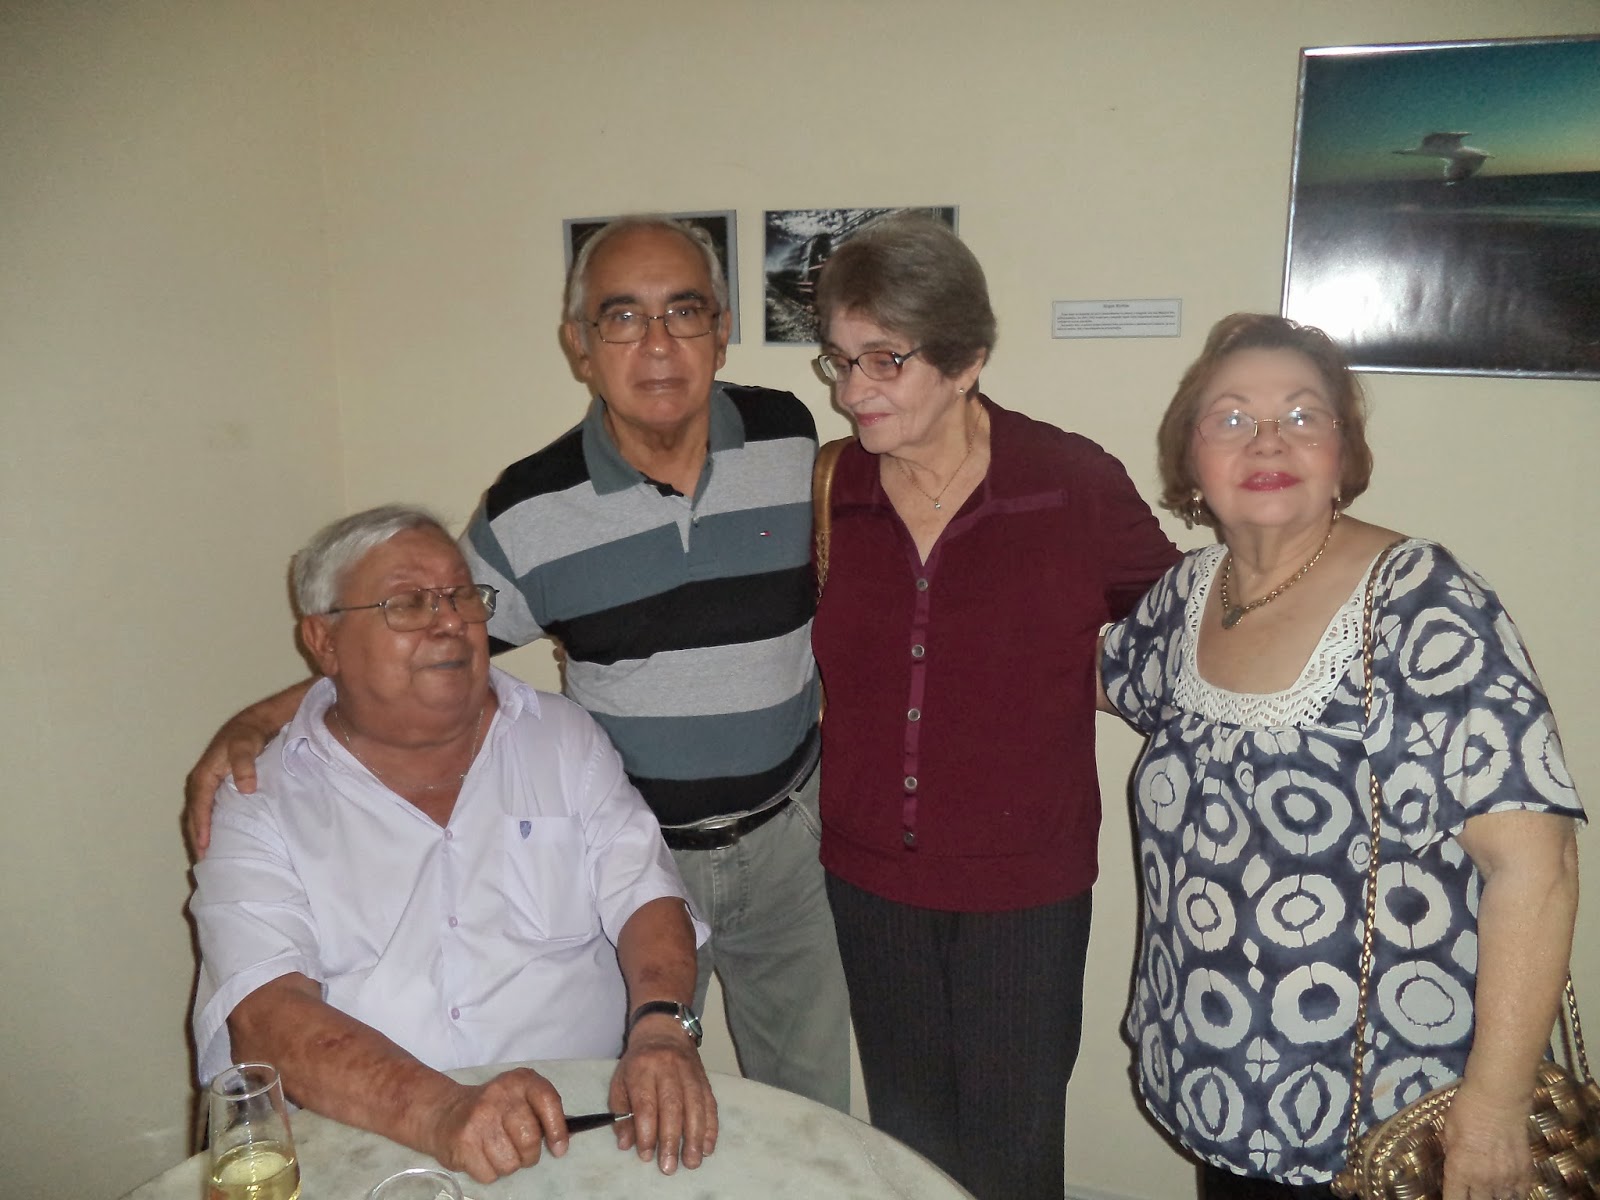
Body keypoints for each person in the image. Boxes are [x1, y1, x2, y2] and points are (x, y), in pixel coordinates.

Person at [183, 215, 853, 1113]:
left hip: (788, 839)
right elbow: (417, 638)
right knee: (639, 1108)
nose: (658, 344)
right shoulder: (530, 509)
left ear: (722, 329)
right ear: (580, 344)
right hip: (636, 861)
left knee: (809, 1101)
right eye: (623, 317)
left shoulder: (790, 438)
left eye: (684, 311)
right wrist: (263, 717)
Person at [1099, 313, 1583, 1200]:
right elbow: (1092, 677)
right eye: (1231, 418)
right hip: (1219, 1082)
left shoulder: (1421, 600)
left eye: (1302, 414)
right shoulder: (1186, 595)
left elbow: (1536, 866)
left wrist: (1493, 1110)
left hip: (1394, 1119)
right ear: (1191, 458)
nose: (1268, 440)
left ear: (1342, 452)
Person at [809, 215, 1180, 1200]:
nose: (851, 390)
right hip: (870, 880)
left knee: (1013, 1156)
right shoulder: (835, 489)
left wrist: (1089, 680)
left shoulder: (1067, 484)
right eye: (840, 360)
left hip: (1024, 890)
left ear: (966, 359)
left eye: (884, 359)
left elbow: (1185, 631)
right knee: (911, 1151)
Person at [191, 506, 716, 1185]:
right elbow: (266, 1016)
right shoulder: (257, 798)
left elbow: (646, 893)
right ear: (324, 640)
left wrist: (663, 1028)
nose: (450, 621)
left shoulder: (561, 738)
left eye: (462, 595)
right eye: (408, 603)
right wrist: (441, 1111)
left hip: (581, 1130)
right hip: (368, 1146)